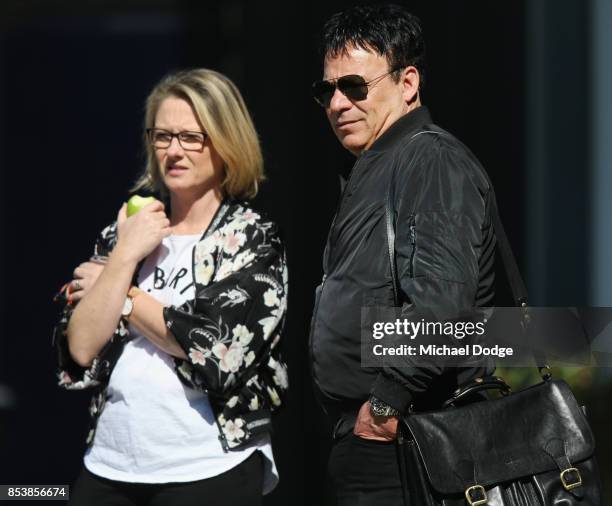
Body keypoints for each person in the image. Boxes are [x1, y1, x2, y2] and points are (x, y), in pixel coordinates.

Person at [52, 68, 289, 506]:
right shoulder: (125, 233)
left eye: (190, 137)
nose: (174, 151)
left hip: (209, 465)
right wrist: (124, 255)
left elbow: (216, 350)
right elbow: (81, 348)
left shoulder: (251, 238)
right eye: (162, 137)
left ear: (225, 141)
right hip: (109, 465)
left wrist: (118, 292)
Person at [309, 5, 496, 505]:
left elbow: (443, 307)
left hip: (408, 438)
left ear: (407, 82)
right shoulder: (381, 165)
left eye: (354, 86)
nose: (337, 103)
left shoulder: (429, 158)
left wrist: (386, 403)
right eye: (326, 90)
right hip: (381, 436)